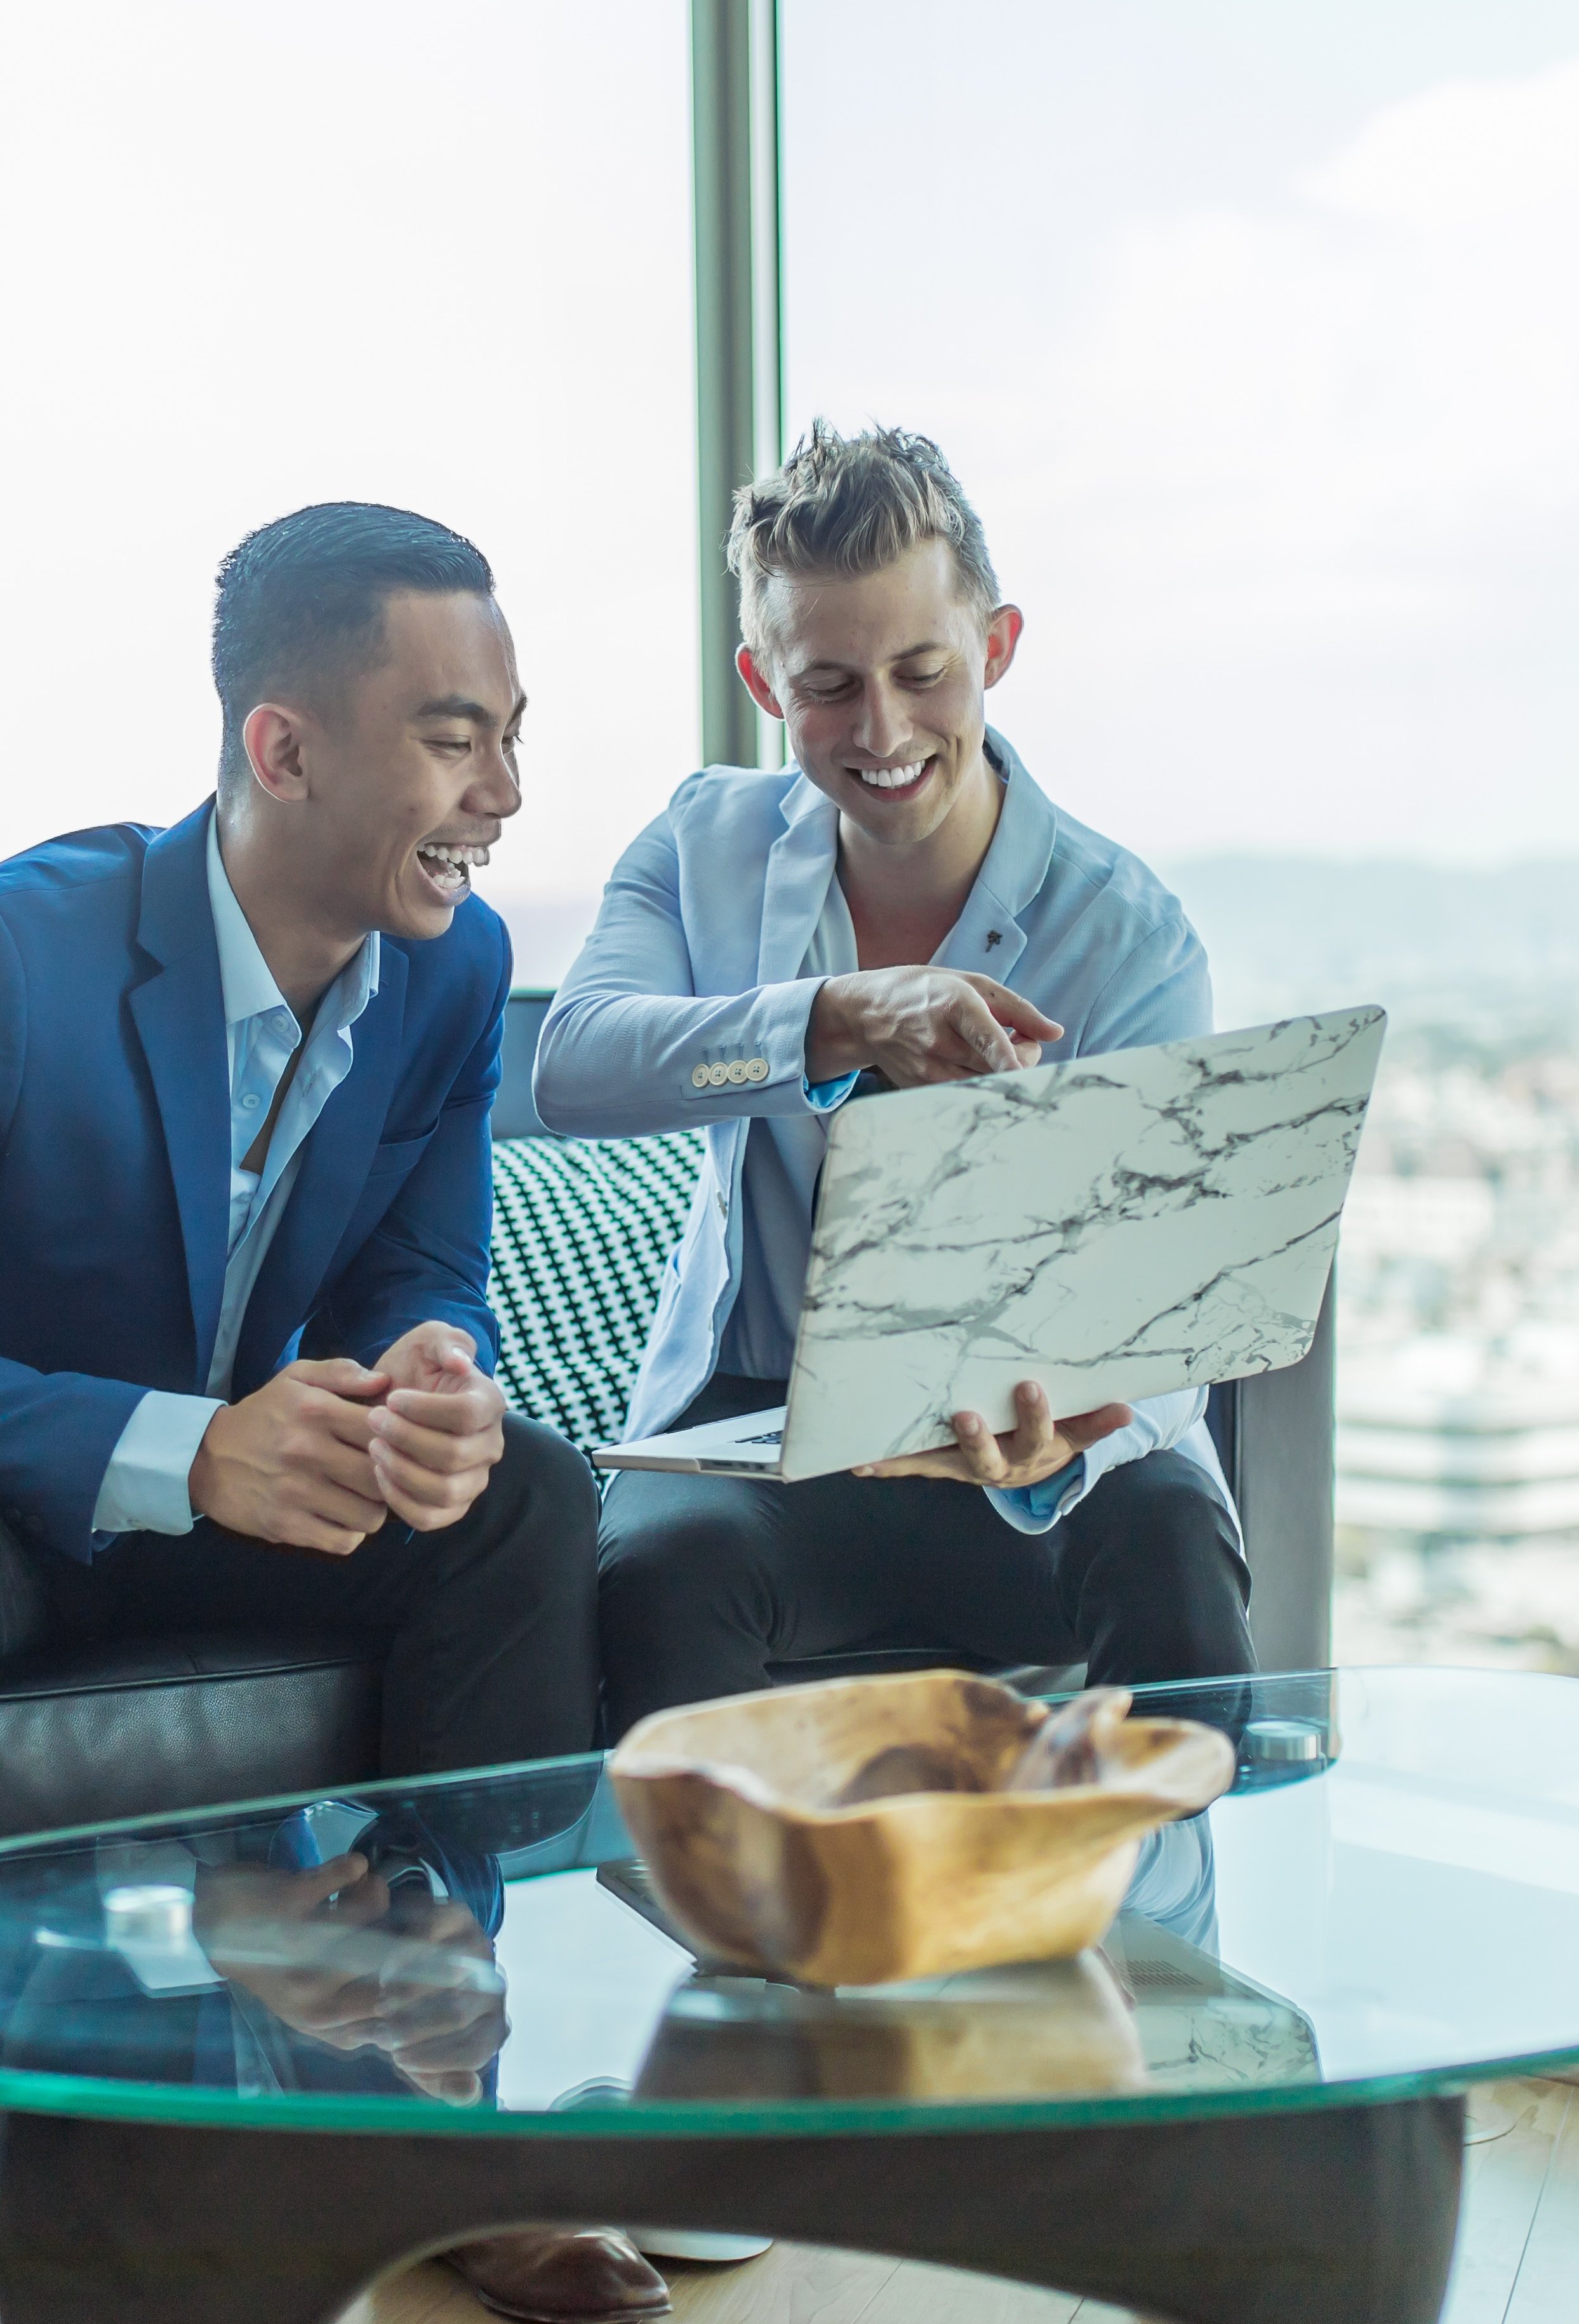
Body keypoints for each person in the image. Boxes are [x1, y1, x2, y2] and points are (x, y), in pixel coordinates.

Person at [0, 503, 648, 2324]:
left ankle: (425, 2095)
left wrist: (439, 1366)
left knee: (526, 1499)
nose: (508, 791)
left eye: (515, 732)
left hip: (247, 1502)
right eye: (458, 736)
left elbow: (417, 1264)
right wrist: (178, 1445)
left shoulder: (453, 977)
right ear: (283, 748)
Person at [535, 422, 1257, 1736]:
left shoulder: (1129, 933)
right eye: (828, 684)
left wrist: (1071, 1431)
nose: (882, 729)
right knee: (656, 1570)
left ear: (998, 645)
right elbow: (575, 1064)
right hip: (761, 1434)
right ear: (763, 680)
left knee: (1169, 1538)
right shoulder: (701, 845)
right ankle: (734, 1945)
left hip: (1033, 1443)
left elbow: (1167, 1308)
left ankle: (1173, 1934)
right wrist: (838, 1018)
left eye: (923, 669)